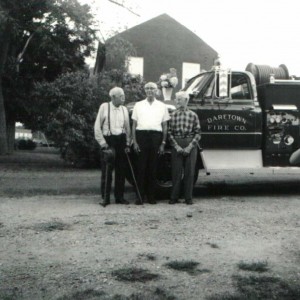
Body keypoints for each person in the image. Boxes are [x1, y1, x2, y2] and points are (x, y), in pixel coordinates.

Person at [132, 82, 170, 205]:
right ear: (144, 90)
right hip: (141, 136)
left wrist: (163, 142)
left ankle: (151, 197)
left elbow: (165, 125)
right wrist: (135, 142)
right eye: (147, 88)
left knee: (153, 168)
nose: (149, 90)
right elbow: (134, 125)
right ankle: (140, 197)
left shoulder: (162, 106)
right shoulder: (138, 105)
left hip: (156, 137)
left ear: (156, 90)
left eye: (152, 88)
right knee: (141, 168)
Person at [94, 87, 131, 207]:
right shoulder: (104, 107)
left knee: (121, 171)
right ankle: (105, 198)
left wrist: (127, 143)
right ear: (113, 97)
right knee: (107, 171)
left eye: (124, 95)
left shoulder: (124, 109)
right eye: (121, 96)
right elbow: (97, 127)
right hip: (108, 141)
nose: (124, 98)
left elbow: (127, 128)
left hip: (121, 141)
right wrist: (103, 144)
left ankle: (119, 197)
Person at [168, 91, 201, 205]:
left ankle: (188, 197)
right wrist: (176, 146)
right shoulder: (172, 115)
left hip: (190, 144)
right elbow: (169, 133)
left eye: (179, 99)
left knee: (190, 172)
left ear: (186, 100)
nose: (177, 101)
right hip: (176, 143)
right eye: (176, 99)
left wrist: (190, 147)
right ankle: (174, 197)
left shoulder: (193, 115)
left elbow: (198, 133)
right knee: (176, 172)